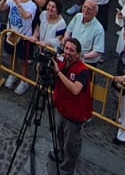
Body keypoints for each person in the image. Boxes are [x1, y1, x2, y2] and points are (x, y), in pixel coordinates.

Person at [50, 35, 93, 175]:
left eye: (71, 50)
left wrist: (58, 73)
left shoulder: (84, 71)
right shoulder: (60, 61)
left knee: (71, 145)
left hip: (75, 115)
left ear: (78, 54)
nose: (67, 52)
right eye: (66, 48)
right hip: (61, 108)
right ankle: (60, 155)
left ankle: (66, 170)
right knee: (59, 136)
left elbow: (75, 89)